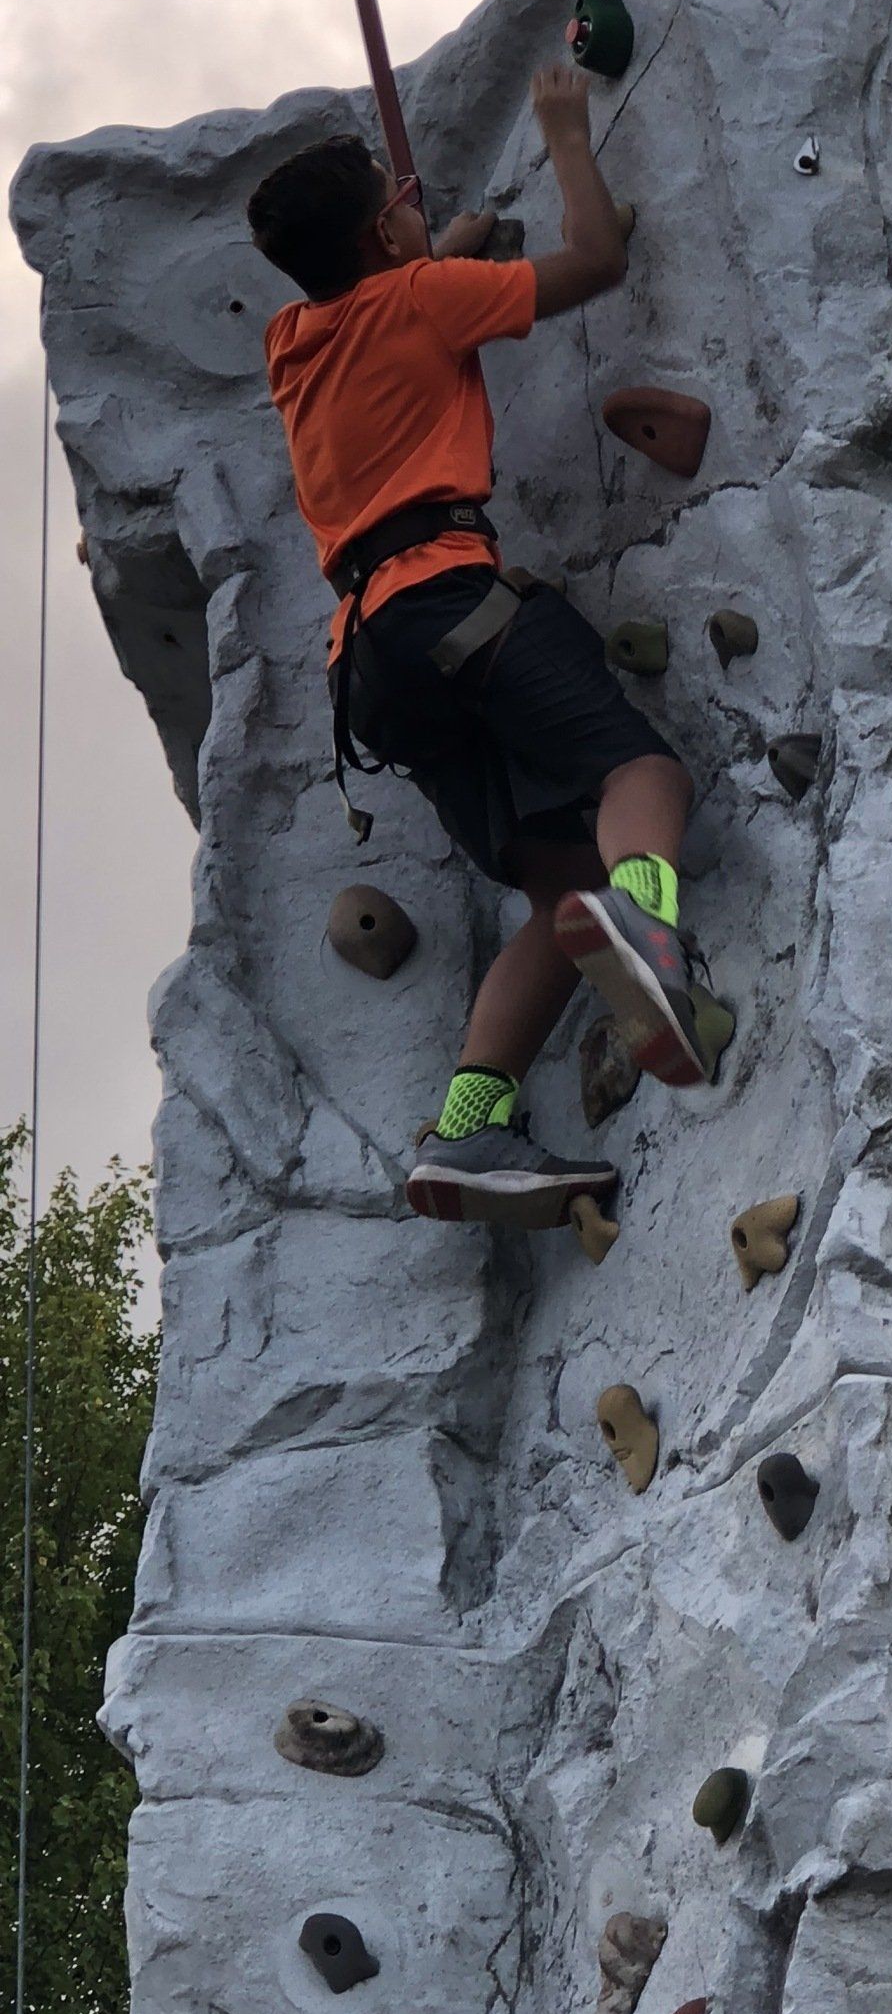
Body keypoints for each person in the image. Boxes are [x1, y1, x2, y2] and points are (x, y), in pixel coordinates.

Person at [248, 65, 707, 1233]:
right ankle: (650, 935)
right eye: (395, 205)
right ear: (379, 231)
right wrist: (561, 130)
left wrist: (432, 236)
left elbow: (399, 281)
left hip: (370, 673)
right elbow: (595, 258)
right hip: (450, 596)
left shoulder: (295, 345)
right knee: (642, 776)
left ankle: (468, 1127)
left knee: (561, 886)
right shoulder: (425, 300)